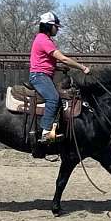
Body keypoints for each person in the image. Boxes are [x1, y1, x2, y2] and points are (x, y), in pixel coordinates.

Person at [29, 11, 90, 142]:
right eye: (56, 26)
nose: (57, 29)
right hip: (39, 77)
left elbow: (43, 62)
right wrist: (82, 67)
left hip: (42, 75)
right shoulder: (44, 40)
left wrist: (58, 68)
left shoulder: (42, 39)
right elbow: (63, 58)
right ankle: (45, 132)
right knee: (53, 98)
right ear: (48, 26)